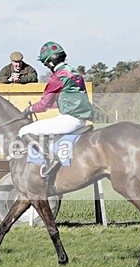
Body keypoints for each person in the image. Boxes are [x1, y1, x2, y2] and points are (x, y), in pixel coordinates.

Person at [18, 41, 94, 175]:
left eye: (46, 64)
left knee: (24, 131)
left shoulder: (57, 76)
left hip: (69, 119)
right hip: (81, 119)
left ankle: (51, 159)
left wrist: (28, 110)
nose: (47, 66)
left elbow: (44, 104)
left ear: (51, 62)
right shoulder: (75, 72)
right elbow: (63, 100)